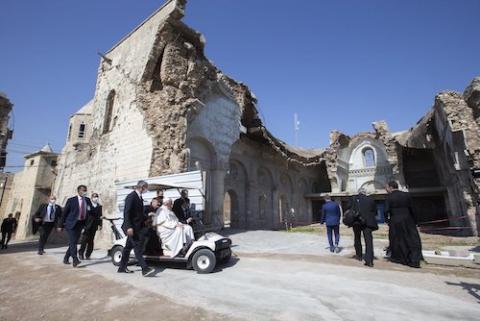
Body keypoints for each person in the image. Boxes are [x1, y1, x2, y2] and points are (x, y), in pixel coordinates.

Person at [117, 180, 154, 277]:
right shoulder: (131, 196)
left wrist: (146, 218)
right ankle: (144, 268)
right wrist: (128, 227)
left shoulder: (139, 197)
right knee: (137, 247)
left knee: (127, 248)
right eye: (146, 188)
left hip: (137, 227)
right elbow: (127, 212)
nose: (146, 190)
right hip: (132, 227)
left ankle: (122, 267)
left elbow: (138, 214)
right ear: (142, 187)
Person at [385, 181, 423, 268]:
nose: (386, 189)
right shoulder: (406, 195)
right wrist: (416, 221)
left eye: (386, 187)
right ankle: (414, 260)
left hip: (395, 220)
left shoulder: (389, 197)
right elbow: (413, 208)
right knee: (412, 239)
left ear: (391, 187)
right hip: (408, 219)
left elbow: (386, 210)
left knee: (398, 240)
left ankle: (401, 258)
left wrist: (387, 221)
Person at [58, 185, 93, 267]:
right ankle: (75, 259)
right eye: (83, 190)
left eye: (85, 190)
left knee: (73, 242)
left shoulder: (87, 200)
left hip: (81, 224)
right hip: (71, 223)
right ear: (79, 191)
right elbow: (64, 213)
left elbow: (90, 211)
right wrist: (60, 225)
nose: (85, 192)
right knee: (73, 242)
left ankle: (66, 258)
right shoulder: (71, 200)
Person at [349, 188, 378, 267]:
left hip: (356, 222)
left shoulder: (353, 199)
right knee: (369, 241)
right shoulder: (370, 199)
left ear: (358, 192)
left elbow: (349, 209)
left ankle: (359, 255)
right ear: (365, 193)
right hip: (367, 222)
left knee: (357, 238)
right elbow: (375, 212)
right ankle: (369, 260)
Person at [78, 193, 103, 260]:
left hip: (94, 226)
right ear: (91, 198)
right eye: (94, 197)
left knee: (91, 241)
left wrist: (100, 225)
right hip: (87, 225)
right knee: (84, 240)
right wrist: (82, 225)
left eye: (97, 197)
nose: (96, 198)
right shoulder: (88, 205)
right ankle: (81, 253)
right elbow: (84, 215)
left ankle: (88, 254)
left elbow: (100, 216)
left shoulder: (99, 206)